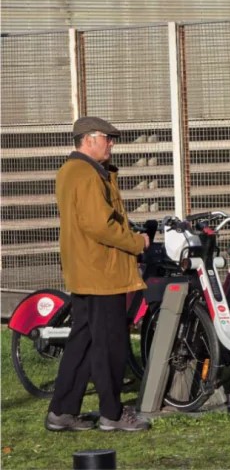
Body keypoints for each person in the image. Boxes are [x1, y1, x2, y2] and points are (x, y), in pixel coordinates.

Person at [45, 116, 151, 432]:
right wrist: (136, 242)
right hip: (102, 272)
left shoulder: (69, 171)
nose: (112, 143)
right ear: (90, 139)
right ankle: (112, 413)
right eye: (108, 138)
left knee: (84, 342)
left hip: (84, 270)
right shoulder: (88, 175)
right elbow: (99, 225)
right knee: (111, 344)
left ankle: (62, 411)